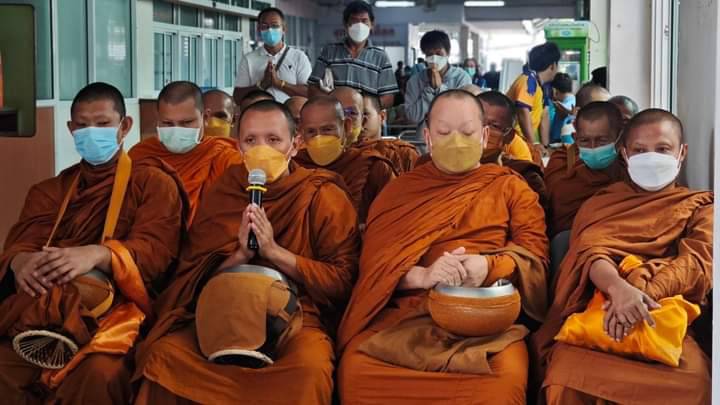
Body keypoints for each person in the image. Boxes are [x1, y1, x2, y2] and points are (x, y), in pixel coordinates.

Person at [133, 100, 361, 405]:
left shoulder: (321, 194)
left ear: (295, 145)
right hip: (222, 311)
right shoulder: (224, 191)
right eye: (251, 140)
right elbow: (191, 277)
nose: (261, 149)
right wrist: (240, 255)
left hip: (294, 319)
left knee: (310, 371)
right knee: (163, 358)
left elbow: (342, 280)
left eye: (274, 139)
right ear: (239, 147)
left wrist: (274, 252)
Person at [337, 90, 548, 404]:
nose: (456, 142)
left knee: (503, 383)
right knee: (357, 370)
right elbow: (374, 269)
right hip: (408, 317)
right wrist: (424, 276)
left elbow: (535, 258)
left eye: (467, 133)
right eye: (444, 133)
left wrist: (489, 267)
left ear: (484, 136)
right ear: (428, 137)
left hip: (484, 319)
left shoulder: (510, 187)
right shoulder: (399, 192)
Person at [0, 82, 185, 404]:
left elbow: (157, 252)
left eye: (102, 124)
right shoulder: (48, 190)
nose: (92, 133)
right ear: (71, 130)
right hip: (45, 307)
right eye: (83, 126)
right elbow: (20, 246)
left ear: (124, 126)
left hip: (118, 311)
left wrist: (100, 254)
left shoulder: (153, 184)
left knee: (100, 373)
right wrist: (20, 262)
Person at [532, 109, 712, 405]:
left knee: (696, 383)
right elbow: (591, 253)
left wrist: (638, 295)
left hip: (666, 317)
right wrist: (618, 289)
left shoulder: (699, 205)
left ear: (682, 153)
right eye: (640, 150)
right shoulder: (601, 203)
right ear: (625, 154)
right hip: (601, 308)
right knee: (564, 377)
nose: (651, 158)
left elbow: (697, 264)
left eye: (662, 149)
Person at [129, 81, 242, 224]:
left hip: (206, 236)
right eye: (167, 123)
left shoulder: (223, 155)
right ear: (157, 119)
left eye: (186, 123)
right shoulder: (141, 154)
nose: (177, 130)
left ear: (205, 118)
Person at [294, 96, 396, 224]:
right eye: (311, 132)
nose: (319, 138)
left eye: (327, 129)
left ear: (346, 127)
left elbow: (394, 215)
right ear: (301, 133)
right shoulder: (295, 167)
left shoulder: (372, 166)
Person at [308, 1, 399, 108]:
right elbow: (312, 88)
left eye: (364, 21)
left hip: (366, 117)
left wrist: (361, 107)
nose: (360, 26)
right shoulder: (329, 51)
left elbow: (388, 98)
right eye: (354, 21)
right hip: (335, 115)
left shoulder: (380, 57)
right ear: (345, 24)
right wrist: (335, 104)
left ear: (372, 24)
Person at [233, 7, 311, 104]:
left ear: (284, 29)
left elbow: (309, 93)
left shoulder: (299, 57)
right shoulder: (248, 59)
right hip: (259, 112)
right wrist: (261, 84)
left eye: (275, 26)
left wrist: (279, 83)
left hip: (290, 113)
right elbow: (237, 97)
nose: (270, 30)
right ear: (259, 29)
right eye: (264, 26)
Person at [405, 30, 471, 130]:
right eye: (429, 54)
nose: (434, 58)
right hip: (424, 137)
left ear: (448, 53)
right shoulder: (415, 81)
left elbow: (461, 113)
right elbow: (412, 117)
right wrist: (430, 91)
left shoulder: (461, 77)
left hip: (454, 136)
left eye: (439, 53)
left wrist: (440, 89)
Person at [507, 42, 561, 161]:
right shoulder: (528, 80)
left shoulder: (540, 86)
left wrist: (545, 147)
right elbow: (523, 111)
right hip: (514, 142)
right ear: (553, 66)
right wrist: (534, 144)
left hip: (521, 142)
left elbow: (544, 116)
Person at [357, 92, 419, 174]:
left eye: (365, 114)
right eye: (354, 114)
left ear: (382, 116)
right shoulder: (347, 156)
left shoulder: (405, 153)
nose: (360, 120)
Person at [548, 73, 576, 144]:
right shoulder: (570, 99)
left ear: (555, 90)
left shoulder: (570, 100)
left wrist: (570, 112)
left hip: (561, 140)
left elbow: (568, 109)